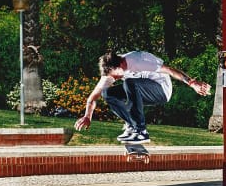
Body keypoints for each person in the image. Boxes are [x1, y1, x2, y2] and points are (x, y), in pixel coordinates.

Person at [74, 50, 211, 143]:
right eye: (112, 77)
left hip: (161, 90)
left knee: (129, 82)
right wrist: (87, 116)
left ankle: (140, 131)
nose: (115, 79)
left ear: (121, 63)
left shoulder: (138, 60)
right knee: (108, 93)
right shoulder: (112, 71)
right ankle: (131, 125)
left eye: (116, 75)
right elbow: (93, 97)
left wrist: (192, 83)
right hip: (141, 90)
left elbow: (169, 70)